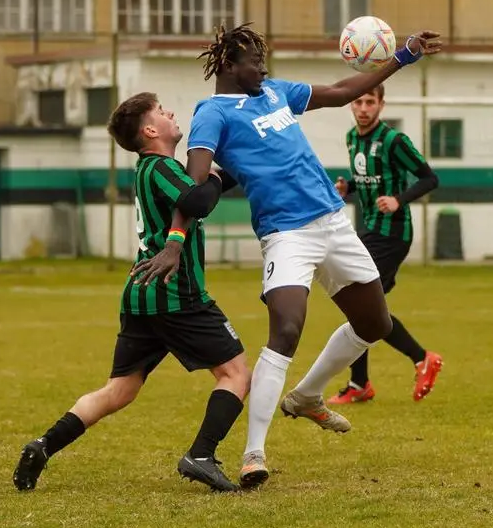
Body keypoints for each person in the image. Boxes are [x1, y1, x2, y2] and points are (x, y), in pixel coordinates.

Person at [130, 24, 442, 490]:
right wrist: (175, 239)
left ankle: (308, 395)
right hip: (285, 234)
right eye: (256, 61)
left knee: (376, 325)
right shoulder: (212, 113)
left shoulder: (276, 91)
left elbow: (340, 91)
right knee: (287, 329)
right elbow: (192, 189)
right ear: (231, 65)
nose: (263, 68)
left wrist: (405, 54)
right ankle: (253, 454)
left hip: (335, 223)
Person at [12, 92, 250, 494]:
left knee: (119, 390)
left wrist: (239, 164)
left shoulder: (150, 170)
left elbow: (205, 188)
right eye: (161, 110)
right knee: (236, 374)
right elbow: (197, 200)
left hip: (141, 295)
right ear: (150, 130)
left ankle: (43, 445)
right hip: (176, 294)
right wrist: (212, 174)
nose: (171, 112)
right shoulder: (159, 166)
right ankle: (202, 455)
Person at [328, 83, 443, 405]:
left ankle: (421, 359)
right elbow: (367, 178)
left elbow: (429, 178)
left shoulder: (394, 140)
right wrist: (346, 186)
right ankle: (361, 383)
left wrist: (398, 200)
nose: (363, 108)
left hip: (392, 233)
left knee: (359, 304)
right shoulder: (352, 138)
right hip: (368, 231)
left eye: (369, 102)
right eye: (358, 102)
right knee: (362, 309)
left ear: (381, 105)